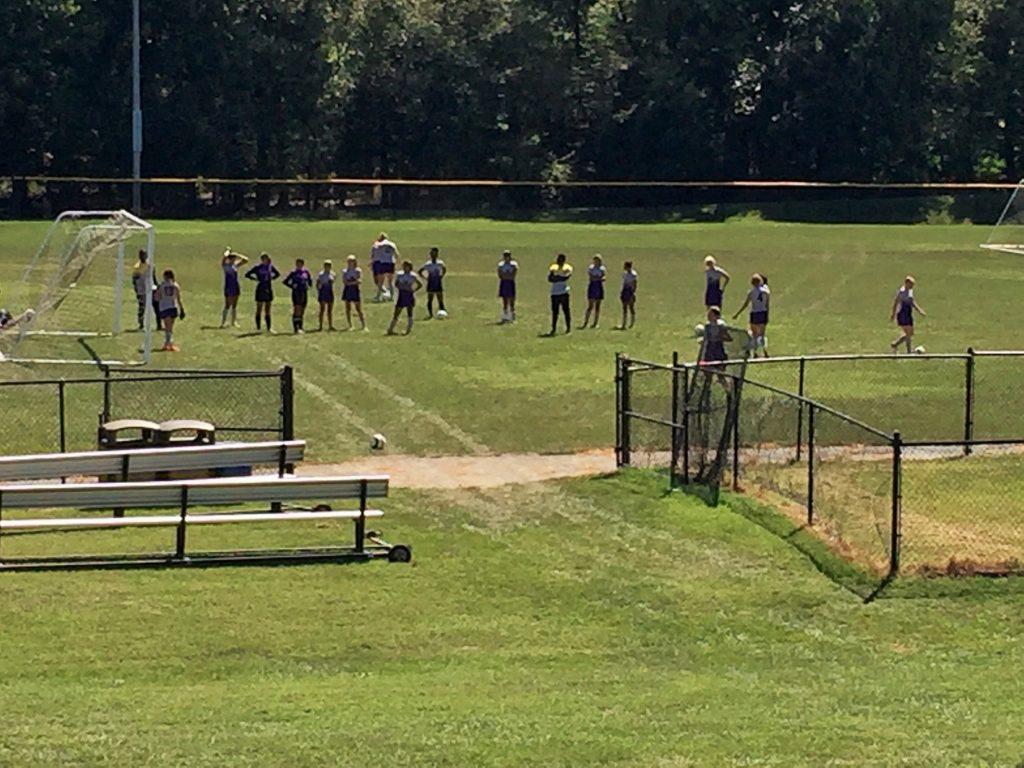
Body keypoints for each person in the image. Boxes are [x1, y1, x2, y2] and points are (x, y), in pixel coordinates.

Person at [733, 273, 771, 357]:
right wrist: (767, 315)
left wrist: (737, 314)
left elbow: (746, 304)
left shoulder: (751, 292)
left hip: (754, 314)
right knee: (762, 334)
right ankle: (765, 351)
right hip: (763, 313)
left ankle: (755, 352)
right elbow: (767, 305)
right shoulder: (766, 292)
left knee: (754, 335)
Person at [245, 253, 280, 333]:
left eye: (266, 259)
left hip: (268, 288)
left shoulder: (270, 267)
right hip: (260, 289)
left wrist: (271, 278)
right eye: (263, 259)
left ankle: (269, 328)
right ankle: (258, 328)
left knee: (268, 309)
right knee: (259, 308)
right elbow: (247, 274)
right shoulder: (258, 268)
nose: (265, 260)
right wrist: (255, 279)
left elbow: (277, 274)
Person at [890, 275, 926, 353]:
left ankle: (901, 347)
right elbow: (896, 303)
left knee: (909, 333)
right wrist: (893, 314)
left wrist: (919, 310)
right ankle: (901, 347)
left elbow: (912, 302)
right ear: (907, 283)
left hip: (908, 313)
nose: (912, 286)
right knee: (909, 333)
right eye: (911, 284)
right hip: (903, 313)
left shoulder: (910, 291)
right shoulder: (901, 292)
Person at [387, 261, 422, 335]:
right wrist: (400, 287)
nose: (405, 268)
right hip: (401, 295)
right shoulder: (400, 275)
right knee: (397, 312)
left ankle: (408, 330)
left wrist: (413, 290)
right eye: (404, 266)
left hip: (409, 295)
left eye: (407, 266)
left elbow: (420, 284)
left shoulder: (413, 276)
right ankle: (390, 329)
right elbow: (396, 283)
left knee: (410, 312)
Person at [156, 269, 185, 352]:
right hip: (173, 307)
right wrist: (182, 309)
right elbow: (178, 298)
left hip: (164, 307)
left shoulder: (162, 285)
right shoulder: (175, 285)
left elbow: (157, 297)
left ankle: (168, 344)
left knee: (167, 327)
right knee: (170, 327)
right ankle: (169, 344)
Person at [220, 248, 249, 328]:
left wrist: (237, 254)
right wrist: (227, 254)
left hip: (235, 285)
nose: (234, 260)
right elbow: (223, 260)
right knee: (227, 304)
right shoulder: (226, 266)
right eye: (232, 259)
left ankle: (233, 322)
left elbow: (246, 260)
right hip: (228, 286)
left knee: (234, 305)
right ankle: (223, 322)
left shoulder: (235, 266)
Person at [283, 258, 313, 334]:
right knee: (297, 309)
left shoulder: (306, 272)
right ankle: (296, 328)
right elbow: (285, 281)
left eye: (301, 263)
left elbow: (309, 280)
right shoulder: (293, 273)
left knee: (303, 309)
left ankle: (301, 327)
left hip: (304, 292)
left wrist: (309, 286)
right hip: (296, 293)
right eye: (298, 264)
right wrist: (292, 286)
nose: (299, 265)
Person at [547, 254, 573, 335]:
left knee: (566, 311)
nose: (559, 261)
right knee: (555, 312)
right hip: (554, 292)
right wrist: (559, 278)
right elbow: (550, 279)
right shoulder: (553, 267)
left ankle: (568, 328)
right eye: (558, 259)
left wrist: (557, 278)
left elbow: (566, 277)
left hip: (564, 292)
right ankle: (553, 328)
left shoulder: (567, 268)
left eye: (561, 259)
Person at [418, 247, 447, 318]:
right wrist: (426, 278)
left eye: (434, 253)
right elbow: (420, 271)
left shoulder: (440, 263)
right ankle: (430, 314)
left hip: (438, 282)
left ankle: (442, 312)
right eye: (432, 253)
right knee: (430, 299)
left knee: (440, 299)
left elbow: (444, 269)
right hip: (431, 282)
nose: (433, 255)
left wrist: (441, 275)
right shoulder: (428, 264)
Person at [370, 232, 399, 302]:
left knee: (380, 282)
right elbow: (397, 254)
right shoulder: (392, 244)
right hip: (391, 263)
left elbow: (374, 255)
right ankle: (392, 296)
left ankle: (378, 296)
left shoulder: (378, 244)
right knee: (390, 282)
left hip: (382, 263)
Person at [581, 254, 606, 329]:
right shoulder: (591, 268)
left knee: (598, 306)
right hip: (593, 286)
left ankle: (595, 323)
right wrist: (598, 278)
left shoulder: (602, 268)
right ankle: (586, 322)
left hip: (599, 286)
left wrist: (599, 278)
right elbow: (591, 277)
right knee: (590, 305)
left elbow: (603, 277)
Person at [341, 255, 366, 331]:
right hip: (347, 289)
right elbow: (344, 281)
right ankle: (350, 325)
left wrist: (352, 282)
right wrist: (352, 282)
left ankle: (363, 325)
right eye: (349, 261)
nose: (350, 263)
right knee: (348, 308)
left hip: (355, 290)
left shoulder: (357, 270)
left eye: (351, 261)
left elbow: (359, 281)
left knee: (358, 308)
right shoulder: (345, 271)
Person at [131, 250, 153, 330]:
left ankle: (158, 324)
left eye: (145, 255)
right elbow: (134, 279)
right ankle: (141, 323)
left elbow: (152, 276)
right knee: (142, 307)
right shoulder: (137, 267)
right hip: (141, 290)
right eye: (142, 255)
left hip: (149, 288)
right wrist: (136, 290)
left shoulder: (149, 265)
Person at [497, 250, 518, 323]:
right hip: (504, 283)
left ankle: (512, 316)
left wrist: (507, 276)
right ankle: (505, 316)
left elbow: (513, 275)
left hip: (510, 283)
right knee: (504, 300)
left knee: (512, 300)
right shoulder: (501, 265)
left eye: (508, 256)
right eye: (505, 256)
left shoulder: (513, 264)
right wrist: (506, 276)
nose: (506, 257)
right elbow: (500, 275)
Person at [616, 261, 638, 330]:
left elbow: (634, 283)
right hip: (625, 290)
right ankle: (624, 324)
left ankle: (632, 323)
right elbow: (624, 283)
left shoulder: (633, 274)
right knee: (624, 308)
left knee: (631, 307)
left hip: (630, 291)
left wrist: (633, 292)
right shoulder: (624, 274)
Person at [316, 260, 336, 331]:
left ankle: (330, 325)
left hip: (329, 291)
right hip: (323, 291)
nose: (327, 267)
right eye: (326, 265)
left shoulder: (333, 274)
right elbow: (318, 283)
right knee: (322, 309)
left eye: (329, 265)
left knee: (330, 310)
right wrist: (319, 290)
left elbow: (333, 281)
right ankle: (320, 326)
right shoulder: (321, 274)